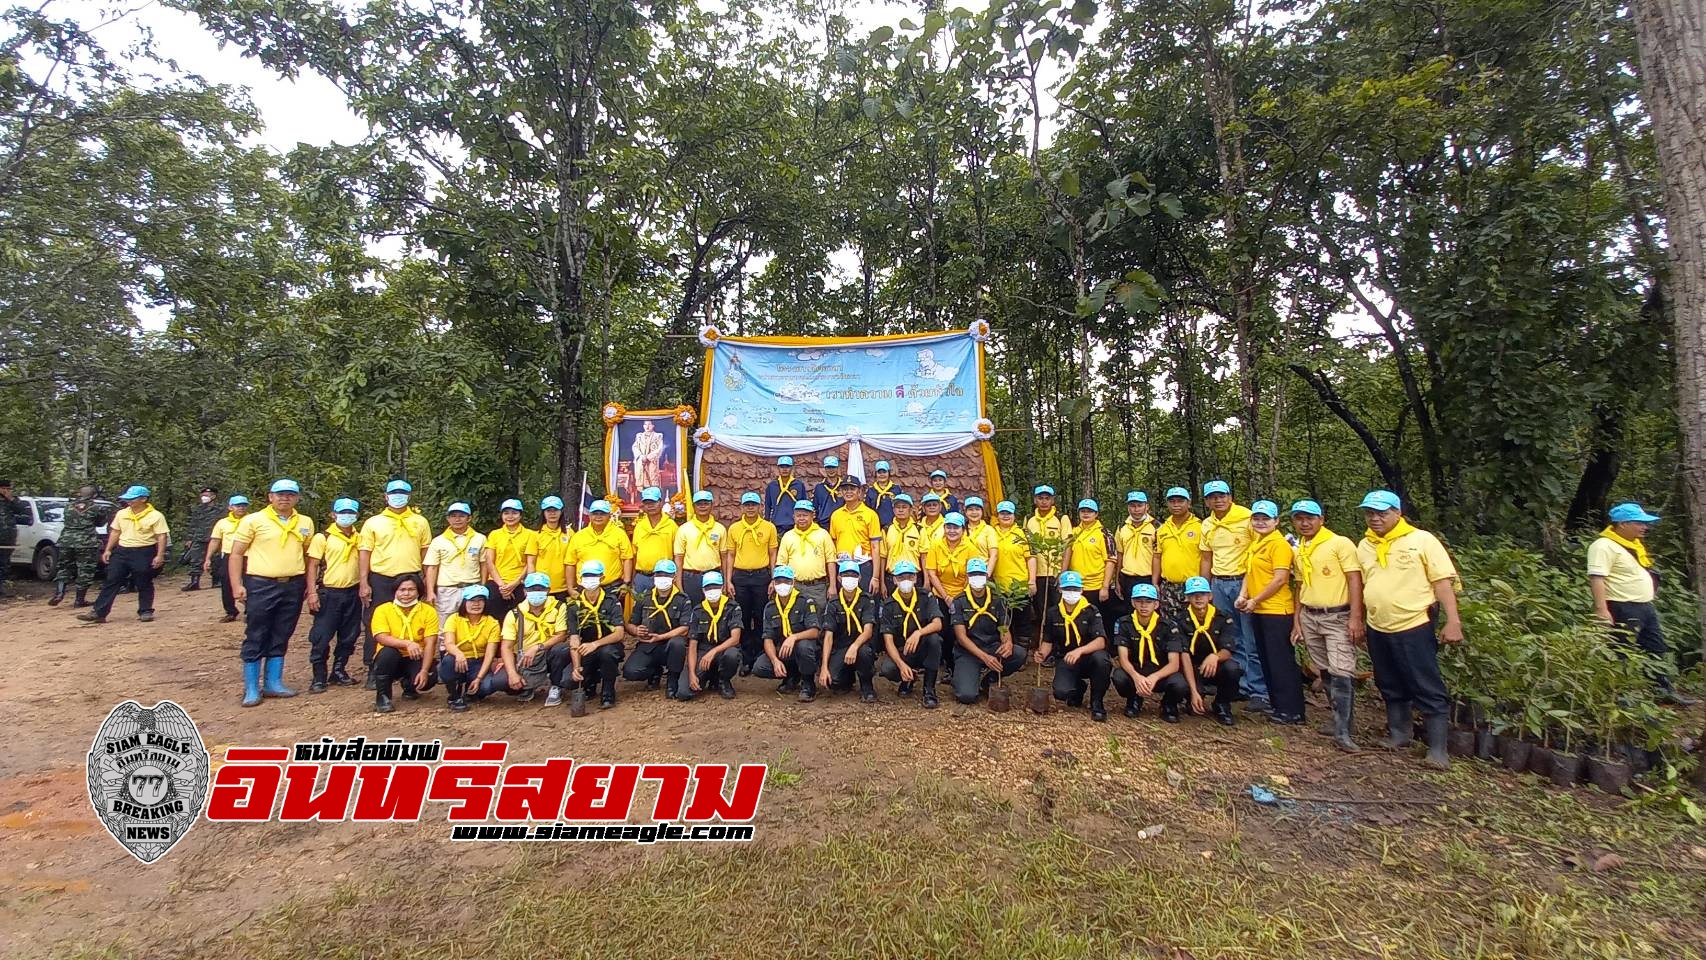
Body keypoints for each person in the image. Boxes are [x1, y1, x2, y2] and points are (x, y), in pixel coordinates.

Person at [1356, 490, 1462, 769]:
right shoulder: (1365, 545)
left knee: (1425, 682)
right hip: (1378, 624)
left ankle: (1438, 750)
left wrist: (1453, 621)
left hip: (1414, 623)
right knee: (1388, 680)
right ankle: (1399, 734)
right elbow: (1365, 583)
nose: (1375, 518)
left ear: (1397, 513)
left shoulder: (1421, 540)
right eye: (1370, 513)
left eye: (1381, 513)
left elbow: (1442, 582)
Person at [1589, 502, 1696, 705]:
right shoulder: (1603, 546)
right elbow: (1597, 578)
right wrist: (1602, 609)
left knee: (1656, 649)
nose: (1644, 527)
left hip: (1645, 607)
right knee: (1622, 651)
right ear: (1622, 524)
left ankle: (1664, 692)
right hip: (1622, 606)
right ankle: (1620, 697)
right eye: (1639, 523)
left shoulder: (1633, 545)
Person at [227, 478, 314, 707]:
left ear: (297, 497)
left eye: (290, 494)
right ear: (270, 497)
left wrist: (306, 584)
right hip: (261, 583)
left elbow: (307, 554)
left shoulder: (305, 522)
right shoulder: (253, 521)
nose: (285, 498)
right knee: (257, 632)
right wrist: (237, 585)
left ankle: (273, 682)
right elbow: (236, 554)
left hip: (292, 584)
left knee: (283, 631)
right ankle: (252, 687)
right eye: (280, 494)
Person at [1290, 499, 1367, 751]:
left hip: (1337, 615)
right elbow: (1299, 585)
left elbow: (1354, 579)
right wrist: (1297, 620)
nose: (1304, 523)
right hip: (1310, 615)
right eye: (1299, 518)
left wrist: (1356, 616)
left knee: (1341, 669)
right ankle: (1338, 720)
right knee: (1324, 669)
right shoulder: (1300, 547)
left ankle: (1344, 731)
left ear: (1321, 519)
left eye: (1310, 518)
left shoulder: (1339, 543)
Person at [358, 479, 432, 687]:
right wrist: (364, 582)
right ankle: (375, 669)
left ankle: (410, 667)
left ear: (409, 496)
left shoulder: (420, 521)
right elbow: (365, 552)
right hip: (381, 578)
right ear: (386, 496)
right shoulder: (373, 522)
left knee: (414, 619)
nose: (398, 496)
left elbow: (425, 551)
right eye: (394, 492)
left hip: (411, 578)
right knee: (375, 622)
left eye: (402, 492)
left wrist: (426, 579)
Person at [1198, 480, 1265, 712]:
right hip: (1219, 583)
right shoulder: (1207, 524)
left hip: (1244, 582)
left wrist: (1250, 588)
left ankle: (1257, 690)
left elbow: (1258, 551)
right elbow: (1206, 557)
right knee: (1228, 636)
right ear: (1207, 500)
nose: (1218, 500)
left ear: (1230, 496)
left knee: (1250, 637)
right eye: (1213, 496)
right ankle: (1236, 684)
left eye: (1222, 495)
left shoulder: (1247, 518)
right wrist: (1205, 588)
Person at [1236, 500, 1303, 724]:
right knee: (1266, 658)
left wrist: (1255, 599)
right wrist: (1243, 596)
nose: (1260, 522)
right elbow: (1249, 573)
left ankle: (1292, 710)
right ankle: (1277, 705)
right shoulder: (1257, 543)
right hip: (1258, 609)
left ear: (1276, 521)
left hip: (1277, 610)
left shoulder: (1279, 545)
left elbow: (1281, 578)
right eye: (1256, 518)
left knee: (1280, 660)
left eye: (1266, 519)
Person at [80, 485, 169, 624]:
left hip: (144, 550)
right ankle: (99, 612)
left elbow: (161, 536)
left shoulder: (156, 516)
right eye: (128, 499)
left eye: (133, 499)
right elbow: (115, 532)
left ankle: (145, 611)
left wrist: (160, 555)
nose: (129, 502)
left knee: (143, 581)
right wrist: (108, 549)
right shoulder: (122, 514)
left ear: (143, 499)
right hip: (122, 550)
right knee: (111, 579)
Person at [1035, 570, 1112, 721]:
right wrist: (1041, 654)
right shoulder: (1053, 613)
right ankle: (1078, 688)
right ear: (1060, 590)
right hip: (1066, 659)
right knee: (1061, 693)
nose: (1072, 593)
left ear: (1082, 590)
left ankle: (1097, 702)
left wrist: (1079, 651)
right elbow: (1048, 640)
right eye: (1068, 589)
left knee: (1102, 661)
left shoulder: (1091, 611)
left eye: (1075, 589)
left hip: (1089, 657)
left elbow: (1100, 641)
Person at [305, 498, 363, 692]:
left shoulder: (360, 537)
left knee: (349, 635)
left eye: (351, 513)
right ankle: (318, 676)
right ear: (333, 514)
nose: (347, 516)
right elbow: (312, 565)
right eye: (342, 512)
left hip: (352, 591)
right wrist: (312, 592)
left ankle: (339, 670)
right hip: (329, 592)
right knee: (322, 635)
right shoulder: (323, 537)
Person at [949, 557, 1025, 705]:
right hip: (969, 652)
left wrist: (1008, 641)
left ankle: (989, 680)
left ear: (986, 576)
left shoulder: (997, 599)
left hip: (992, 647)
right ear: (968, 577)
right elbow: (961, 637)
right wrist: (985, 658)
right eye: (973, 575)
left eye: (980, 574)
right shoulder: (959, 601)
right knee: (966, 696)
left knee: (1019, 653)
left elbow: (1004, 627)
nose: (977, 578)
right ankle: (962, 678)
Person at [1110, 583, 1188, 721]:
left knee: (1179, 683)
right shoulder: (1124, 623)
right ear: (1133, 603)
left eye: (1148, 602)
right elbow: (1123, 659)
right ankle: (1133, 699)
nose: (1143, 605)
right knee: (1119, 677)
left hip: (1160, 672)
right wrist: (1136, 677)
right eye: (1139, 601)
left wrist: (1154, 677)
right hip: (1136, 670)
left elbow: (1174, 664)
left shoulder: (1168, 626)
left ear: (1156, 604)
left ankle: (1168, 705)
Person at [876, 561, 944, 708]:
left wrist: (918, 633)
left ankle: (929, 689)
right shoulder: (888, 605)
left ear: (915, 578)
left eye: (909, 576)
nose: (905, 581)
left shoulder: (926, 596)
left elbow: (938, 624)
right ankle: (908, 678)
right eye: (901, 578)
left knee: (934, 639)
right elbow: (888, 641)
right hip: (903, 651)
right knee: (888, 669)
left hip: (923, 646)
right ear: (894, 580)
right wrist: (901, 665)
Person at [369, 572, 439, 713]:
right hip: (391, 656)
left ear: (419, 591)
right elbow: (381, 637)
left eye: (411, 589)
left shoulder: (428, 611)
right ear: (395, 591)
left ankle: (409, 686)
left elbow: (430, 643)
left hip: (415, 656)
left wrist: (424, 670)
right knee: (388, 653)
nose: (406, 594)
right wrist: (407, 644)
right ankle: (383, 696)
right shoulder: (383, 610)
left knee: (431, 675)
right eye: (402, 590)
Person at [752, 564, 823, 701]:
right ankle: (791, 676)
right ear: (773, 583)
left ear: (793, 583)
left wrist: (794, 638)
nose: (782, 585)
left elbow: (815, 631)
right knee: (760, 667)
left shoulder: (805, 602)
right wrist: (775, 661)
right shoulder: (770, 607)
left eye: (786, 581)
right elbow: (768, 638)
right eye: (778, 581)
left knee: (804, 647)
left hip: (803, 647)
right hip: (783, 649)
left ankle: (808, 683)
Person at [1179, 576, 1242, 725]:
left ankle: (1222, 703)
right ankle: (1192, 697)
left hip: (1214, 665)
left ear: (1210, 596)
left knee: (1233, 668)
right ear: (1187, 597)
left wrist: (1214, 657)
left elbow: (1227, 650)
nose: (1198, 598)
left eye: (1202, 594)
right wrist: (1194, 691)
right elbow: (1184, 656)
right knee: (1193, 709)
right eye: (1194, 594)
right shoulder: (1181, 619)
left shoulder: (1222, 618)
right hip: (1192, 668)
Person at [727, 492, 777, 674]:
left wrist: (774, 578)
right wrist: (728, 580)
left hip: (761, 576)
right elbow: (730, 555)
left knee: (761, 616)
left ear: (760, 507)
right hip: (740, 577)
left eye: (753, 505)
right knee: (744, 618)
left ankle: (761, 656)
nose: (750, 508)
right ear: (742, 506)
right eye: (747, 504)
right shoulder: (734, 528)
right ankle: (746, 658)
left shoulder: (769, 527)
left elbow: (772, 554)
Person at [504, 572, 571, 705]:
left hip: (549, 651)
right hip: (526, 658)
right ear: (524, 591)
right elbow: (506, 646)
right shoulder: (515, 614)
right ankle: (528, 686)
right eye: (532, 589)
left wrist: (538, 647)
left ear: (548, 590)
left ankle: (555, 686)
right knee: (502, 683)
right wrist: (512, 673)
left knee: (561, 650)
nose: (536, 592)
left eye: (540, 589)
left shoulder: (558, 607)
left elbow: (562, 634)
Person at [567, 560, 626, 709]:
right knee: (570, 681)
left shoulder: (612, 601)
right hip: (586, 646)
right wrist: (576, 666)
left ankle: (608, 690)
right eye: (586, 576)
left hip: (608, 644)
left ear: (602, 578)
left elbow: (619, 633)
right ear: (580, 578)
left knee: (607, 653)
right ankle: (590, 684)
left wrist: (596, 644)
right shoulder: (575, 605)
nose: (590, 579)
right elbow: (574, 638)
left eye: (594, 575)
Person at [677, 571, 744, 700]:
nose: (712, 591)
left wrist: (714, 651)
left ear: (722, 587)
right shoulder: (698, 610)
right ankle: (706, 676)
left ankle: (723, 680)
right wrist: (692, 673)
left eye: (715, 587)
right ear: (703, 590)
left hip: (723, 649)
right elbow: (692, 644)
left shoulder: (732, 607)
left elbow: (735, 638)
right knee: (684, 693)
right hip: (703, 651)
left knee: (732, 654)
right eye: (708, 588)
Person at [819, 559, 880, 702]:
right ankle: (848, 677)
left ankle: (867, 686)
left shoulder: (866, 600)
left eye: (853, 575)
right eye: (846, 575)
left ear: (859, 578)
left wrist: (854, 646)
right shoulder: (833, 603)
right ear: (839, 578)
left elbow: (868, 630)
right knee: (832, 682)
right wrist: (824, 667)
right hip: (840, 647)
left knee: (864, 653)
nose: (849, 579)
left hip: (860, 645)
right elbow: (828, 636)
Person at [625, 559, 692, 690]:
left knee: (677, 644)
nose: (663, 578)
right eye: (659, 574)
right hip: (649, 644)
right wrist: (636, 630)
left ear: (673, 577)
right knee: (630, 672)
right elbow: (631, 624)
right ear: (654, 576)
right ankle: (655, 672)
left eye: (667, 575)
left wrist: (661, 637)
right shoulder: (645, 597)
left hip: (670, 644)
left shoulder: (682, 599)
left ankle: (673, 679)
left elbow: (685, 628)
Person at [438, 585, 504, 711]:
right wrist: (459, 654)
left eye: (480, 600)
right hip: (457, 659)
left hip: (478, 661)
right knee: (448, 662)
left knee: (486, 686)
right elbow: (449, 643)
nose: (476, 604)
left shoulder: (492, 623)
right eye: (472, 600)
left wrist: (479, 678)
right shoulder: (454, 619)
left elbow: (490, 654)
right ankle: (454, 695)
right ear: (464, 602)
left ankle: (471, 689)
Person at [1025, 485, 1073, 656]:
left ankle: (1059, 649)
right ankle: (1044, 650)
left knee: (1058, 612)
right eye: (1040, 498)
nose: (1044, 501)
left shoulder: (1062, 519)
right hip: (1037, 574)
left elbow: (1067, 546)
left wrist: (1063, 572)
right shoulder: (1029, 520)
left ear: (1053, 500)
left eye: (1047, 498)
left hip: (1055, 573)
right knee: (1041, 614)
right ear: (1035, 500)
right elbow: (1027, 550)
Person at [424, 503, 487, 623]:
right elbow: (432, 567)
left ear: (469, 518)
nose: (457, 519)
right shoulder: (438, 541)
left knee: (471, 622)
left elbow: (484, 564)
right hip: (447, 590)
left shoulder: (480, 538)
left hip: (472, 587)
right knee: (445, 624)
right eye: (453, 516)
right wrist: (431, 591)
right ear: (448, 519)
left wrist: (482, 586)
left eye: (461, 516)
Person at [1063, 498, 1118, 632]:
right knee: (1080, 621)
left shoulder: (1104, 534)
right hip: (1077, 586)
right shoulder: (1074, 532)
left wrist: (1105, 586)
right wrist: (1062, 576)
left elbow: (1111, 561)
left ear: (1096, 514)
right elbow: (1067, 555)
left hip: (1097, 586)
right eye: (1083, 511)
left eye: (1090, 511)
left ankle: (1105, 649)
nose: (1086, 514)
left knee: (1101, 621)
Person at [483, 498, 537, 627]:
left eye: (514, 513)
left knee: (519, 620)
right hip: (497, 582)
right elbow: (489, 561)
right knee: (494, 619)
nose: (510, 516)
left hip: (519, 582)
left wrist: (516, 583)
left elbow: (529, 563)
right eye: (506, 513)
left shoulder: (530, 535)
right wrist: (502, 585)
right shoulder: (494, 535)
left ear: (520, 515)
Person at [52, 484, 108, 608]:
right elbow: (100, 523)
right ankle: (79, 600)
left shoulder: (68, 506)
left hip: (66, 540)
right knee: (85, 570)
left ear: (79, 494)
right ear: (94, 495)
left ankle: (59, 594)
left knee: (64, 567)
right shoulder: (96, 507)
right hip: (86, 542)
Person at [566, 500, 634, 595]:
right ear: (589, 515)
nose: (598, 516)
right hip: (585, 588)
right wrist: (570, 588)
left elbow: (627, 558)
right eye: (595, 513)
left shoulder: (619, 534)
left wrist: (626, 582)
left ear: (609, 516)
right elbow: (570, 563)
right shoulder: (578, 536)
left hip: (612, 587)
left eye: (602, 513)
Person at [674, 490, 730, 604]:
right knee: (692, 611)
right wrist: (679, 584)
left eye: (706, 503)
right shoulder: (684, 529)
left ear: (712, 505)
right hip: (691, 577)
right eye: (699, 504)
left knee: (713, 610)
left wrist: (725, 582)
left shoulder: (720, 529)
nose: (702, 506)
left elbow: (724, 557)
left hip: (713, 575)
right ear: (694, 506)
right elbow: (679, 559)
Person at [1154, 487, 1202, 620]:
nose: (1176, 505)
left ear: (1189, 503)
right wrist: (1155, 582)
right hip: (1168, 586)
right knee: (1169, 625)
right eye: (1172, 501)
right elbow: (1157, 556)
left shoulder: (1200, 526)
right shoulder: (1162, 529)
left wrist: (1205, 583)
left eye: (1180, 501)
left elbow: (1206, 557)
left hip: (1193, 585)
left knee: (1194, 623)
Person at [828, 476, 883, 591]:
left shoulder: (870, 514)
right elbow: (833, 544)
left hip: (863, 565)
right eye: (845, 489)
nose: (848, 492)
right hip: (843, 566)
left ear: (859, 491)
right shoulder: (836, 515)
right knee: (843, 604)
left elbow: (875, 547)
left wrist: (875, 577)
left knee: (866, 603)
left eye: (852, 489)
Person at [776, 500, 835, 606]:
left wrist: (833, 585)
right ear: (793, 517)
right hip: (795, 586)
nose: (801, 518)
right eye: (798, 515)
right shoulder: (788, 536)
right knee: (796, 618)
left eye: (805, 515)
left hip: (818, 587)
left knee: (818, 618)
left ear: (812, 516)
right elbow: (781, 563)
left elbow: (831, 561)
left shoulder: (823, 534)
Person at [992, 500, 1033, 639]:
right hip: (999, 588)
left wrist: (1032, 581)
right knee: (1003, 624)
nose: (1005, 516)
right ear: (997, 515)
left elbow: (1031, 558)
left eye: (1008, 513)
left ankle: (1022, 653)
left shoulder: (1023, 533)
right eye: (1002, 513)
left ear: (1014, 515)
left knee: (1022, 624)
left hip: (1019, 587)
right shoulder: (991, 533)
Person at [204, 495, 249, 621]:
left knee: (250, 582)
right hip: (228, 555)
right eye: (238, 505)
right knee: (226, 582)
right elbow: (215, 541)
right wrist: (208, 558)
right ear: (230, 507)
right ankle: (230, 611)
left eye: (244, 505)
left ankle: (249, 610)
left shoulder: (252, 520)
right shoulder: (222, 523)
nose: (241, 508)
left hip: (249, 554)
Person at [630, 487, 678, 594]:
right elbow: (634, 554)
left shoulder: (671, 526)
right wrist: (632, 578)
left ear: (660, 502)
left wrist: (675, 577)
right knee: (640, 608)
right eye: (647, 503)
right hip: (642, 577)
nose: (650, 506)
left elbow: (677, 555)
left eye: (653, 502)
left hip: (665, 577)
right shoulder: (639, 526)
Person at [1115, 492, 1157, 606]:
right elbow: (1120, 554)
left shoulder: (1156, 527)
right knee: (1130, 614)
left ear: (1146, 506)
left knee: (1149, 612)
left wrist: (1156, 581)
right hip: (1127, 578)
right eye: (1132, 506)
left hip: (1149, 578)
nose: (1136, 509)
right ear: (1128, 507)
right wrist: (1117, 579)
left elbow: (1159, 556)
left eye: (1139, 505)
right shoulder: (1122, 527)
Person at [179, 485, 222, 591]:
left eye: (207, 495)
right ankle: (194, 582)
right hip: (199, 538)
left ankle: (217, 581)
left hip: (215, 538)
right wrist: (190, 538)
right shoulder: (198, 509)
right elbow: (193, 524)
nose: (204, 497)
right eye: (203, 495)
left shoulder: (221, 509)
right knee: (195, 560)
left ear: (213, 496)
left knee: (216, 560)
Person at [533, 495, 573, 600]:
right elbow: (530, 563)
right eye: (548, 510)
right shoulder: (535, 535)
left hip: (564, 587)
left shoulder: (569, 533)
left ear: (561, 512)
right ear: (543, 513)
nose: (552, 513)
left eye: (555, 510)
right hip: (541, 587)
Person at [883, 494, 925, 593]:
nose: (900, 510)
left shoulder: (919, 529)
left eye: (904, 507)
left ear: (911, 510)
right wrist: (882, 582)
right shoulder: (887, 529)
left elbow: (924, 556)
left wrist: (926, 580)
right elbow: (882, 557)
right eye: (898, 507)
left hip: (913, 577)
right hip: (892, 578)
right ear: (893, 510)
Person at [764, 456, 809, 536]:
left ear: (792, 468)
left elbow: (804, 505)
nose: (785, 469)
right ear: (778, 468)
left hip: (795, 525)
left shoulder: (798, 485)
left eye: (787, 466)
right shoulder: (772, 486)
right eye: (782, 467)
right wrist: (767, 523)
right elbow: (767, 506)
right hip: (777, 525)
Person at [961, 497, 1000, 571]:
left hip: (983, 569)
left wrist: (987, 574)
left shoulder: (989, 530)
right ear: (965, 512)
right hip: (963, 570)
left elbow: (994, 555)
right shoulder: (960, 529)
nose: (974, 512)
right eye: (970, 509)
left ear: (982, 511)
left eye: (977, 509)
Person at [631, 418, 666, 492]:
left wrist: (648, 457)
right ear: (643, 426)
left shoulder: (658, 436)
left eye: (649, 424)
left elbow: (660, 448)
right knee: (641, 478)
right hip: (641, 461)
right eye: (645, 425)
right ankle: (642, 497)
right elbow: (635, 447)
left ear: (653, 426)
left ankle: (653, 497)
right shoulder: (639, 436)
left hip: (652, 461)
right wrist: (640, 456)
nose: (647, 427)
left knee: (652, 478)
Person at [866, 460, 903, 527]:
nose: (882, 474)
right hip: (875, 526)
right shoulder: (870, 491)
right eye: (879, 472)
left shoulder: (896, 489)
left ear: (889, 473)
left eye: (884, 472)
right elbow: (867, 510)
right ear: (876, 474)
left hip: (894, 526)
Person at [811, 455, 847, 524]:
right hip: (824, 524)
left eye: (833, 467)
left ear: (837, 468)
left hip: (842, 522)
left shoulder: (844, 486)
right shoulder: (819, 488)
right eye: (828, 467)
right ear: (825, 469)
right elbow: (814, 507)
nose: (831, 470)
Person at [0, 479, 17, 599]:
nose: (6, 491)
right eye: (4, 489)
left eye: (8, 489)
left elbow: (23, 510)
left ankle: (3, 588)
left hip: (8, 537)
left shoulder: (12, 501)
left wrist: (11, 499)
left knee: (4, 563)